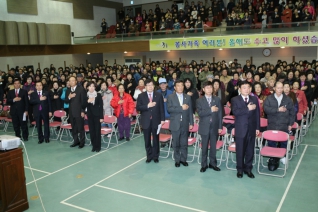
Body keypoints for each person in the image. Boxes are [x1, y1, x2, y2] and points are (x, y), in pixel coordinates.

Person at [231, 81, 260, 179]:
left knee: (250, 150)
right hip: (240, 129)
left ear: (250, 89)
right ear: (239, 89)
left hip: (251, 128)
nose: (246, 89)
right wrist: (247, 108)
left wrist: (257, 128)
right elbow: (235, 112)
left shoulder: (254, 99)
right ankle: (240, 169)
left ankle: (248, 169)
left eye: (248, 87)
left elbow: (257, 115)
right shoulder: (235, 99)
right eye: (244, 87)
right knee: (240, 150)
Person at [263, 81, 295, 164]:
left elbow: (292, 112)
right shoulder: (269, 98)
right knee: (271, 141)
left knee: (284, 142)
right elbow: (266, 109)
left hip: (284, 124)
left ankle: (282, 156)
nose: (280, 90)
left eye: (281, 88)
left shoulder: (287, 99)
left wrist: (290, 124)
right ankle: (272, 157)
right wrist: (277, 110)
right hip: (272, 124)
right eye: (278, 88)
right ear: (274, 88)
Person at [196, 81, 223, 173]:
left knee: (213, 147)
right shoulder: (199, 100)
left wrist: (220, 127)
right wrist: (210, 109)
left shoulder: (217, 99)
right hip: (204, 126)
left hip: (214, 127)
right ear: (203, 89)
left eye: (210, 88)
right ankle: (204, 164)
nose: (209, 89)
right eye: (207, 88)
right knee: (204, 147)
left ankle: (213, 163)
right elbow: (200, 113)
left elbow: (220, 114)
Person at [136, 79, 165, 163]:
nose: (150, 87)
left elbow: (161, 109)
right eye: (148, 85)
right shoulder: (141, 96)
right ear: (145, 87)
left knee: (156, 139)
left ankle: (156, 156)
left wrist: (162, 119)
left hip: (156, 121)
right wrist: (147, 106)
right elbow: (138, 107)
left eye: (151, 85)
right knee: (147, 140)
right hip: (146, 121)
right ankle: (149, 156)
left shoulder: (158, 95)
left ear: (154, 86)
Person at [167, 79, 194, 167]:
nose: (180, 87)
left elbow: (190, 111)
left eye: (182, 85)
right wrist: (181, 108)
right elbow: (169, 109)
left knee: (184, 143)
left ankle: (183, 159)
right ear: (175, 87)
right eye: (178, 86)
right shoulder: (170, 97)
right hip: (175, 123)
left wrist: (191, 123)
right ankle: (177, 160)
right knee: (176, 143)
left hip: (185, 123)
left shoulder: (188, 97)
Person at [65, 77, 87, 149]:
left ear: (76, 81)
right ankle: (76, 141)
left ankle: (82, 142)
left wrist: (83, 111)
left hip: (79, 112)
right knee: (73, 128)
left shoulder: (81, 89)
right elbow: (66, 101)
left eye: (73, 80)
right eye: (70, 81)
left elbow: (84, 102)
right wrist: (69, 97)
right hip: (71, 112)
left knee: (80, 128)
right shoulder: (68, 91)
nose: (71, 82)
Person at [86, 82, 104, 152]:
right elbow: (83, 105)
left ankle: (98, 146)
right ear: (87, 87)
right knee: (92, 131)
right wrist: (88, 101)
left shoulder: (98, 95)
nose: (92, 88)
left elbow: (101, 106)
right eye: (90, 86)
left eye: (93, 86)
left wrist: (101, 117)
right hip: (90, 116)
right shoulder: (86, 95)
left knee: (97, 131)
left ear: (95, 87)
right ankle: (93, 146)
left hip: (97, 116)